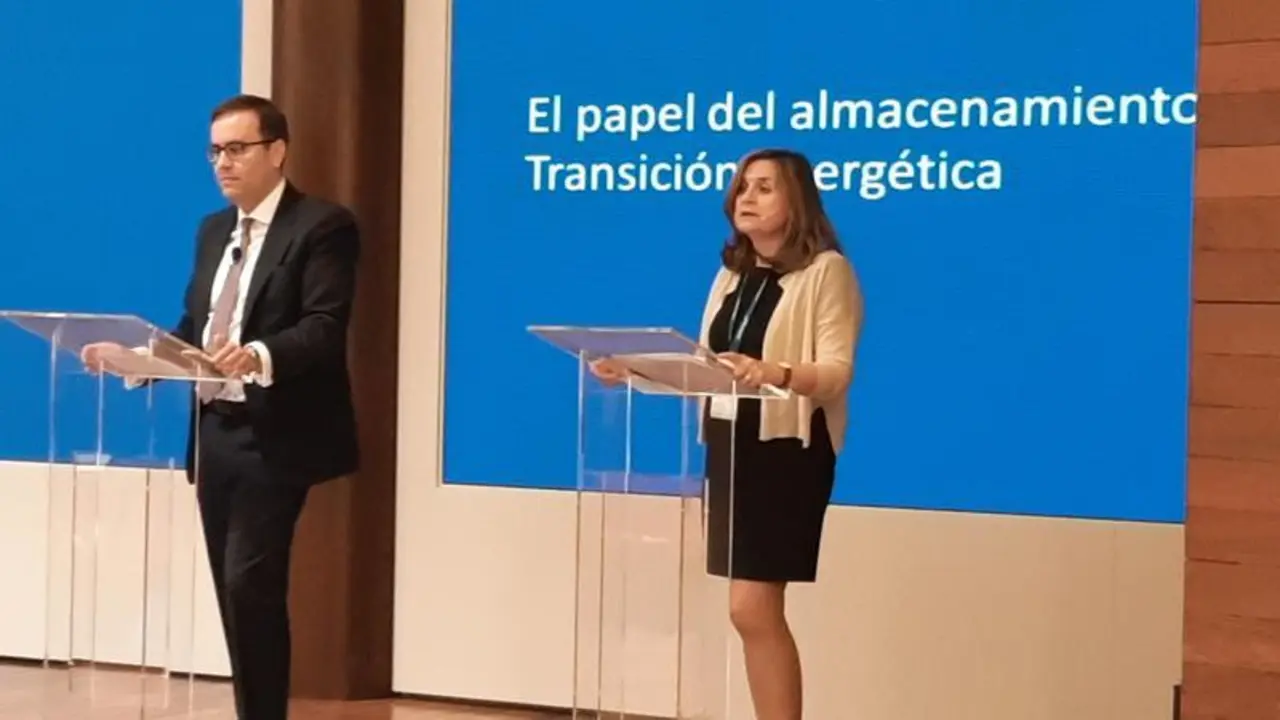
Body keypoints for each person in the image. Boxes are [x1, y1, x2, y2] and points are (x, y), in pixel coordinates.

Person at [83, 94, 361, 720]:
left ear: (277, 151)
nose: (223, 164)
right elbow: (195, 329)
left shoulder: (322, 226)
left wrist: (257, 354)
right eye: (215, 152)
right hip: (214, 434)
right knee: (234, 593)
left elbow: (324, 325)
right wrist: (138, 360)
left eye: (237, 149)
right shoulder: (213, 231)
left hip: (276, 433)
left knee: (249, 581)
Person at [592, 148, 863, 720]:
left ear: (797, 199)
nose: (747, 197)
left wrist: (775, 372)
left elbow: (836, 373)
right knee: (748, 611)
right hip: (729, 446)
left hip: (786, 451)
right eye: (742, 187)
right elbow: (708, 367)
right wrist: (633, 371)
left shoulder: (826, 272)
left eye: (764, 187)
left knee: (751, 606)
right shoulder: (731, 275)